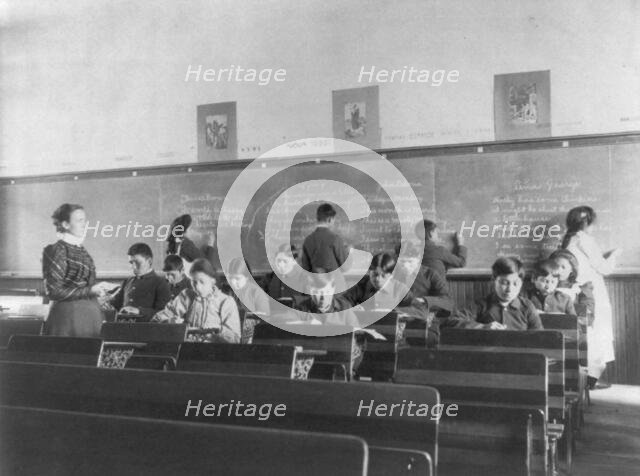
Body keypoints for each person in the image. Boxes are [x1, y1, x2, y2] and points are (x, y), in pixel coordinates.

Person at [561, 206, 621, 389]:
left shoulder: (568, 240)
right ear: (586, 222)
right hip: (592, 292)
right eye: (592, 223)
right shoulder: (585, 239)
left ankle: (586, 378)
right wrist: (616, 254)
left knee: (587, 333)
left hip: (577, 292)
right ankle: (590, 379)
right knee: (597, 333)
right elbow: (604, 268)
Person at [42, 203, 112, 337]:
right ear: (65, 224)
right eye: (79, 220)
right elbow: (53, 292)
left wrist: (101, 292)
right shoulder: (57, 250)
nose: (84, 224)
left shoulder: (81, 250)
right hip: (68, 320)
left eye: (84, 220)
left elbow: (84, 286)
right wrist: (90, 290)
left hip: (90, 318)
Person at [152, 258, 240, 343]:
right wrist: (170, 321)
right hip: (185, 348)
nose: (197, 287)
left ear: (212, 281)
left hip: (214, 351)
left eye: (202, 282)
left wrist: (217, 331)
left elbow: (235, 338)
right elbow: (156, 320)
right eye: (194, 282)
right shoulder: (187, 296)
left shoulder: (226, 301)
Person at [456, 257, 543, 330]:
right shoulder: (482, 304)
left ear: (521, 284)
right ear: (494, 281)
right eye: (504, 283)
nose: (510, 289)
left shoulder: (527, 306)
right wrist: (482, 326)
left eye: (515, 283)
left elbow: (540, 335)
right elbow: (452, 320)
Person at [110, 243, 171, 322]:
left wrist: (139, 311)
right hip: (123, 328)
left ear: (149, 261)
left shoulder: (161, 283)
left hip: (145, 331)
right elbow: (116, 305)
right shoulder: (128, 281)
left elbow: (164, 314)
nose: (133, 267)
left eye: (138, 262)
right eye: (131, 263)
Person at [395, 243, 454, 316]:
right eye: (402, 262)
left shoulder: (431, 274)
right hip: (396, 316)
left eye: (410, 262)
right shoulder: (391, 275)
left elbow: (448, 302)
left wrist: (424, 300)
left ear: (418, 259)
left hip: (423, 318)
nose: (406, 266)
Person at [300, 203, 349, 288]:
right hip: (335, 288)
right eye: (334, 220)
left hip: (316, 288)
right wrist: (348, 252)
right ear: (330, 219)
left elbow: (306, 268)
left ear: (317, 218)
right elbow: (345, 267)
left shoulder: (308, 240)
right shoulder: (335, 239)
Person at [294, 269, 359, 326]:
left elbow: (357, 333)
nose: (323, 299)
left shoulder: (345, 308)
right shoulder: (301, 308)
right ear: (310, 291)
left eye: (327, 292)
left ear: (333, 289)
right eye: (317, 293)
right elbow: (286, 324)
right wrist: (306, 324)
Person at [227, 257, 269, 343]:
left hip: (252, 338)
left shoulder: (257, 293)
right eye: (230, 278)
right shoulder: (231, 293)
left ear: (247, 277)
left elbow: (264, 322)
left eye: (237, 278)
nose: (233, 282)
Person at [549, 248, 595, 319]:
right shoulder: (544, 286)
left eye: (563, 267)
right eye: (555, 266)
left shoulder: (580, 289)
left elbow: (587, 316)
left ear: (571, 270)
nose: (558, 271)